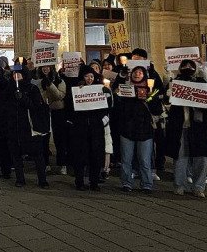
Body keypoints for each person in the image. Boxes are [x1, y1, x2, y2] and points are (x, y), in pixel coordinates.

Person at [0, 65, 50, 188]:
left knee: (37, 155)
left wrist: (23, 98)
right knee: (16, 154)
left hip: (30, 127)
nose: (16, 77)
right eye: (14, 75)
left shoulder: (32, 88)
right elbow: (1, 104)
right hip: (13, 127)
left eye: (18, 74)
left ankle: (42, 180)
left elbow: (36, 107)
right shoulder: (9, 89)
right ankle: (20, 179)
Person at [165, 59, 207, 198]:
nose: (187, 68)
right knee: (181, 157)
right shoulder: (175, 83)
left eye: (190, 66)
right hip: (180, 126)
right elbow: (165, 99)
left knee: (200, 158)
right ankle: (180, 185)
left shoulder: (201, 83)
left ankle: (199, 186)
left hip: (198, 126)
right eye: (184, 66)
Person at [114, 65, 159, 193]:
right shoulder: (125, 89)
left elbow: (157, 109)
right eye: (135, 72)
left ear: (144, 75)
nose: (137, 74)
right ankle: (127, 183)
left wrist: (150, 97)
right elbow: (117, 104)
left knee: (144, 160)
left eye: (140, 72)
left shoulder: (151, 90)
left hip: (145, 130)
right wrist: (119, 82)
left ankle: (146, 184)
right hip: (127, 129)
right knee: (126, 159)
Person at [69, 66, 111, 191]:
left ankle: (94, 181)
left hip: (96, 128)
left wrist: (107, 93)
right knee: (80, 156)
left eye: (91, 76)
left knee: (96, 155)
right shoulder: (76, 89)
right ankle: (80, 181)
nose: (89, 79)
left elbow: (107, 107)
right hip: (80, 128)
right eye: (87, 76)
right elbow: (70, 107)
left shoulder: (100, 89)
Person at [131, 48, 166, 179]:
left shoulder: (152, 73)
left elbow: (159, 90)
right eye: (133, 60)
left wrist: (149, 97)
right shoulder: (129, 74)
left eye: (138, 60)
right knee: (133, 141)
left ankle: (151, 168)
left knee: (148, 142)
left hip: (149, 111)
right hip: (133, 112)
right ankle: (135, 168)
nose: (135, 63)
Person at [36, 64, 68, 175]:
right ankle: (46, 163)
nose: (45, 69)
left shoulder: (60, 81)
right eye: (43, 67)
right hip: (44, 113)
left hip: (58, 113)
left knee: (60, 139)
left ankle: (62, 163)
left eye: (48, 67)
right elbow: (41, 97)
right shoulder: (38, 82)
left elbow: (60, 95)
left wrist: (50, 85)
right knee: (44, 139)